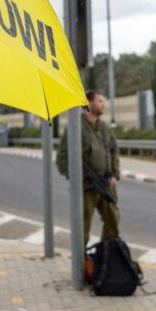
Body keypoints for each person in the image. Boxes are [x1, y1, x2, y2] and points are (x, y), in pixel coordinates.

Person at [56, 89, 121, 250]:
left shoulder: (104, 128)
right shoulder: (76, 126)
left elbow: (114, 151)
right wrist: (75, 176)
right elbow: (62, 157)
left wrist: (114, 175)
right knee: (82, 225)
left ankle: (108, 255)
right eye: (99, 101)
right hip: (86, 187)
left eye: (102, 101)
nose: (102, 104)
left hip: (105, 183)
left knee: (113, 219)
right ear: (88, 103)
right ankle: (79, 262)